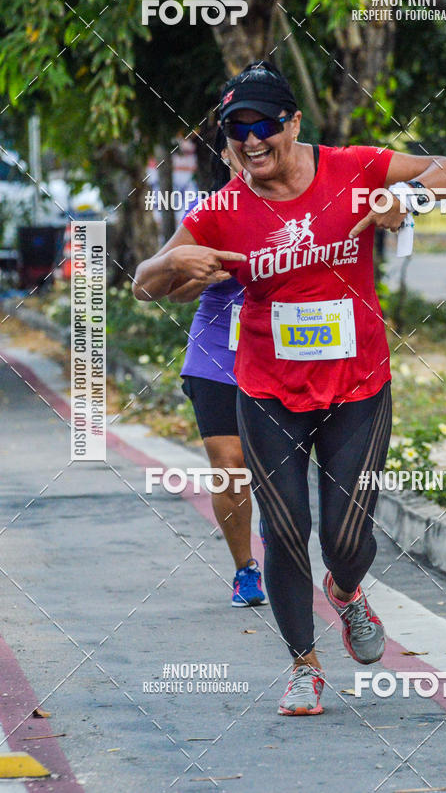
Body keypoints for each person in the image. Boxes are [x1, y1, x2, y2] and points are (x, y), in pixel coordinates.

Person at [134, 61, 446, 717]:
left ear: (293, 122)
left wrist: (408, 199)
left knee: (347, 538)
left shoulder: (353, 168)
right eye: (237, 129)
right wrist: (171, 261)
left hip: (358, 384)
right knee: (286, 530)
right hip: (266, 389)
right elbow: (144, 283)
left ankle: (346, 593)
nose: (251, 140)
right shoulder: (224, 209)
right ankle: (304, 666)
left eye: (264, 124)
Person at [151, 131, 266, 608]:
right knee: (229, 466)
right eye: (236, 140)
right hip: (218, 351)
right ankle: (246, 570)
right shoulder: (211, 211)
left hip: (288, 350)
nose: (250, 147)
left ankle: (293, 562)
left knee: (278, 469)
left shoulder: (304, 200)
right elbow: (168, 286)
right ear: (224, 153)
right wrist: (201, 278)